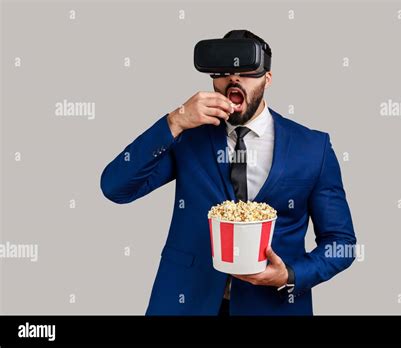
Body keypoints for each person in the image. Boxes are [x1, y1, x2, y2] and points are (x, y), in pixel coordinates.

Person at [100, 30, 357, 316]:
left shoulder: (313, 148)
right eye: (224, 71)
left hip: (273, 306)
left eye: (246, 71)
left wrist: (291, 276)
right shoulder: (188, 136)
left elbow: (341, 243)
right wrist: (175, 121)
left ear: (267, 79)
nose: (234, 79)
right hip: (185, 301)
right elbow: (116, 187)